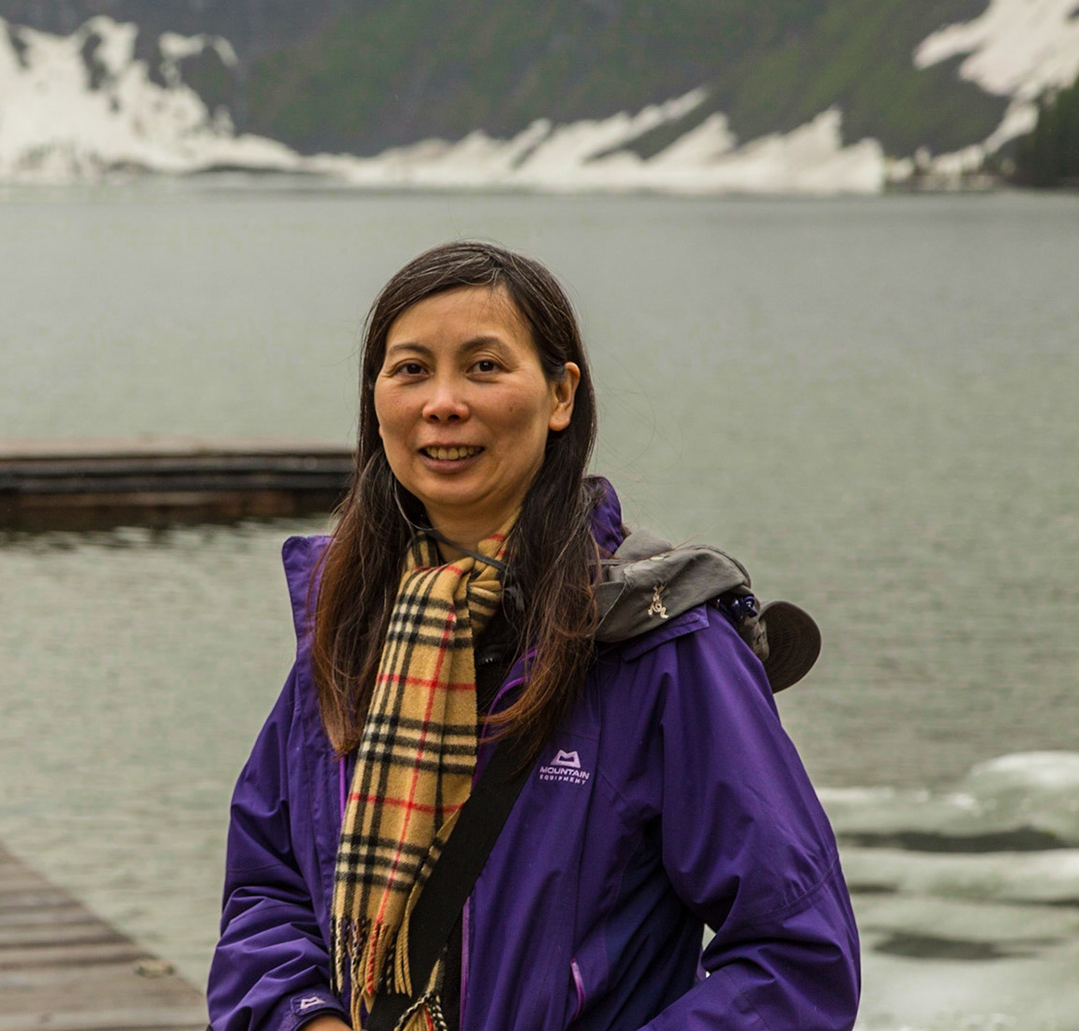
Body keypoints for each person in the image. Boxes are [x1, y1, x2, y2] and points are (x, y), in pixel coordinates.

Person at [207, 242, 860, 1031]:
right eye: (410, 369)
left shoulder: (662, 647)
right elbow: (266, 889)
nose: (442, 403)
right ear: (375, 399)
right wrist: (306, 1017)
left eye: (483, 367)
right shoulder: (351, 632)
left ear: (560, 395)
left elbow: (795, 955)